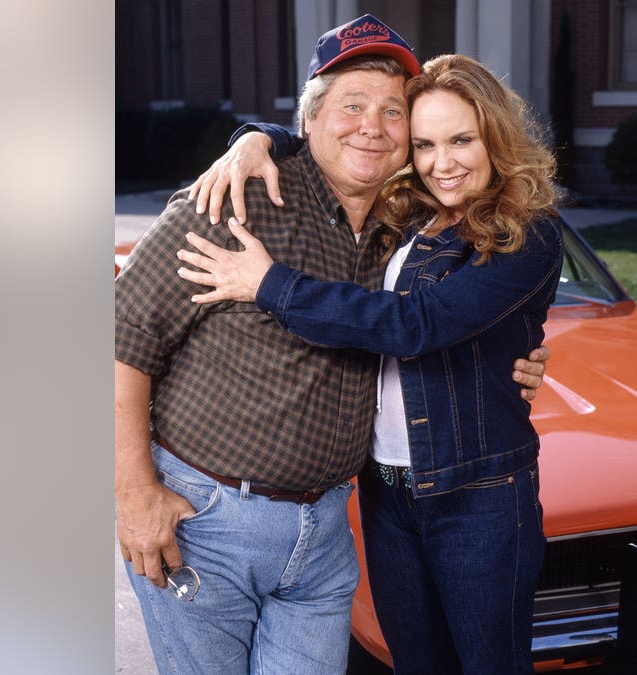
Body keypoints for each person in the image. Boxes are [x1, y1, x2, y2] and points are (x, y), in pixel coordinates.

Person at [115, 16, 547, 675]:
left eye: (392, 112)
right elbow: (123, 338)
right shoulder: (236, 200)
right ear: (310, 120)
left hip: (337, 533)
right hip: (211, 523)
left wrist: (519, 352)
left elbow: (424, 320)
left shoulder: (407, 223)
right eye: (351, 105)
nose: (373, 127)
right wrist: (132, 493)